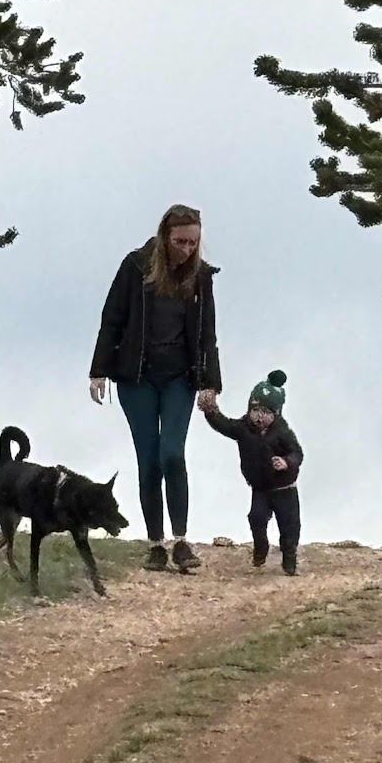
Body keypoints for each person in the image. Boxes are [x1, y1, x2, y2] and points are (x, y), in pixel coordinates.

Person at [89, 204, 221, 573]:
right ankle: (156, 545)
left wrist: (211, 383)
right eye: (180, 241)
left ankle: (181, 542)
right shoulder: (135, 267)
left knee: (172, 454)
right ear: (165, 236)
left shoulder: (201, 276)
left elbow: (208, 333)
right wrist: (99, 370)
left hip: (180, 378)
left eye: (193, 242)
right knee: (148, 461)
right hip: (137, 379)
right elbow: (112, 318)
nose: (187, 249)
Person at [202, 369, 304, 575]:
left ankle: (289, 558)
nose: (260, 416)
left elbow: (297, 453)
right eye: (256, 410)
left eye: (266, 412)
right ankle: (260, 548)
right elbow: (224, 425)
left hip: (285, 489)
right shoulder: (243, 428)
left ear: (276, 414)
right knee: (256, 518)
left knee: (289, 526)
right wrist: (210, 411)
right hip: (260, 488)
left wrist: (286, 462)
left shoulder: (282, 431)